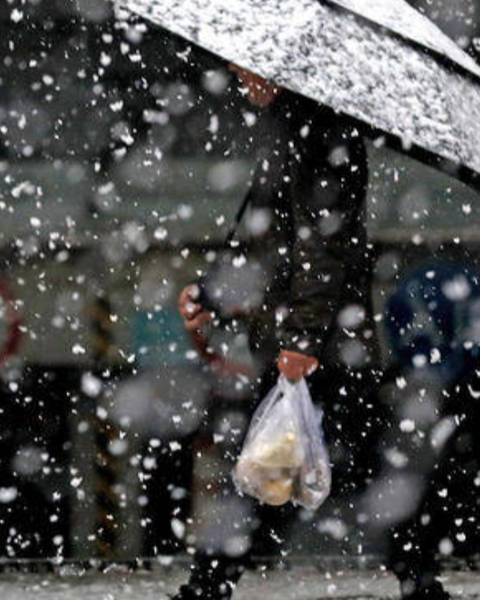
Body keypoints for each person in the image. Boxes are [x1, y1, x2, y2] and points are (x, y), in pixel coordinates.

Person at [171, 65, 450, 600]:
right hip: (311, 336)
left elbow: (323, 248)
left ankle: (212, 581)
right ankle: (417, 577)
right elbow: (262, 232)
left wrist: (301, 339)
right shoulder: (290, 127)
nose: (237, 76)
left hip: (318, 342)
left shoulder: (321, 133)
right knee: (320, 459)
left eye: (246, 68)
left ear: (279, 67)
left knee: (285, 460)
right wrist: (210, 292)